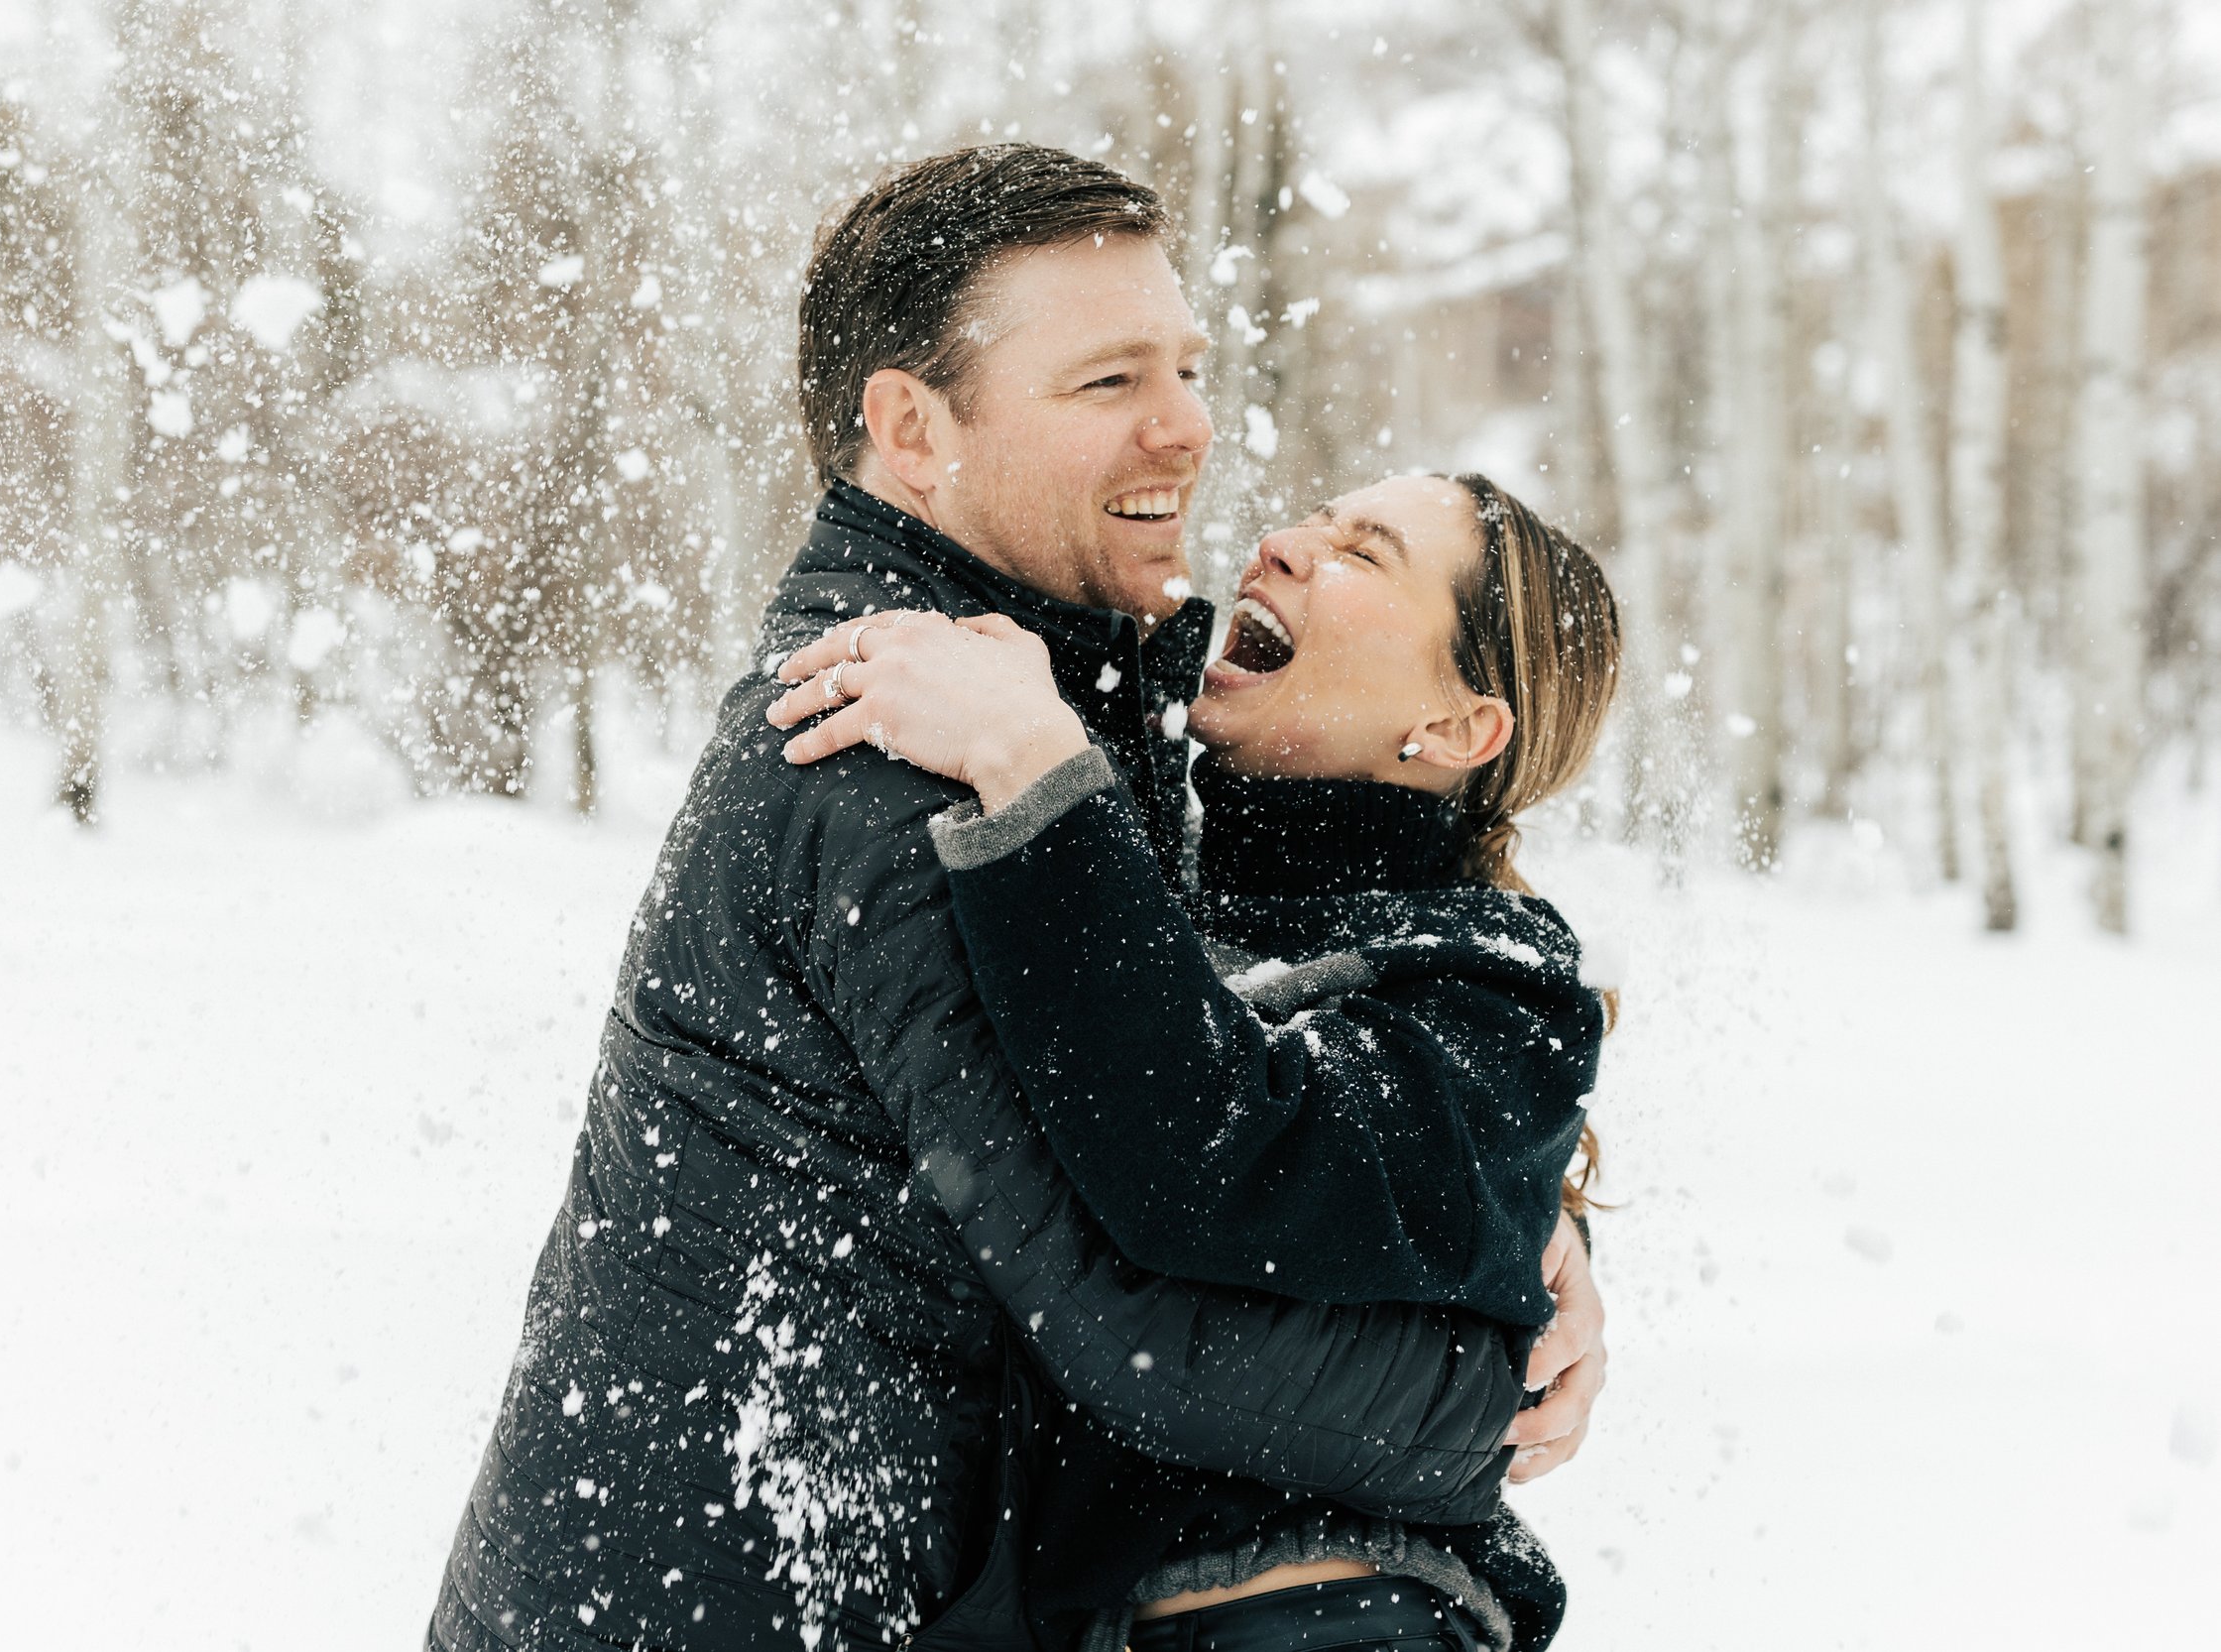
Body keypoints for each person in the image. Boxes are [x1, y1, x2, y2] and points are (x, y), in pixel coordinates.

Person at [427, 145, 1607, 1652]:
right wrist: (1480, 1381)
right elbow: (1139, 1317)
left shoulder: (1049, 692)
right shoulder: (894, 749)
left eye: (1186, 364)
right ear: (915, 430)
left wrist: (1480, 1205)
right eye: (1108, 381)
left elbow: (1297, 1003)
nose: (1187, 427)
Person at [768, 472, 1619, 1651]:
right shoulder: (1171, 878)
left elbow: (1218, 1155)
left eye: (1363, 554)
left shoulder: (1493, 986)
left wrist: (1029, 758)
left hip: (1329, 1620)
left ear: (1456, 727)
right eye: (1314, 519)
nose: (1282, 543)